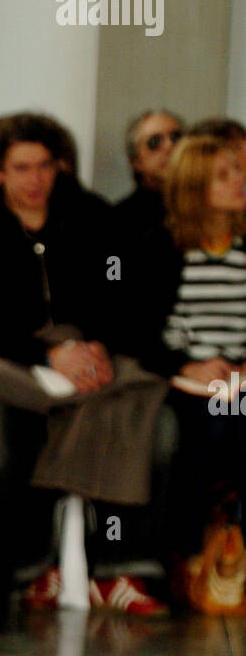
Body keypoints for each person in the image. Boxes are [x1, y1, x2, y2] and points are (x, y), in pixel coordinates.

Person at [0, 113, 169, 619]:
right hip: (13, 359)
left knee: (137, 392)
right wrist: (47, 354)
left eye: (44, 166)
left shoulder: (93, 217)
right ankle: (38, 563)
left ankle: (110, 565)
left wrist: (97, 345)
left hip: (87, 352)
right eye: (21, 168)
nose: (34, 179)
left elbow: (124, 298)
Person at [136, 135, 246, 582]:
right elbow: (140, 330)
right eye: (223, 176)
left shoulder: (243, 246)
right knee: (208, 429)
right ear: (195, 188)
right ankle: (188, 553)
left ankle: (233, 548)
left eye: (237, 170)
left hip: (238, 374)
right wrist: (186, 365)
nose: (239, 180)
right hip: (186, 376)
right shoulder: (165, 247)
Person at [113, 108, 184, 250]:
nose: (169, 146)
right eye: (154, 142)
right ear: (136, 161)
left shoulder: (207, 206)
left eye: (176, 138)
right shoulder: (120, 219)